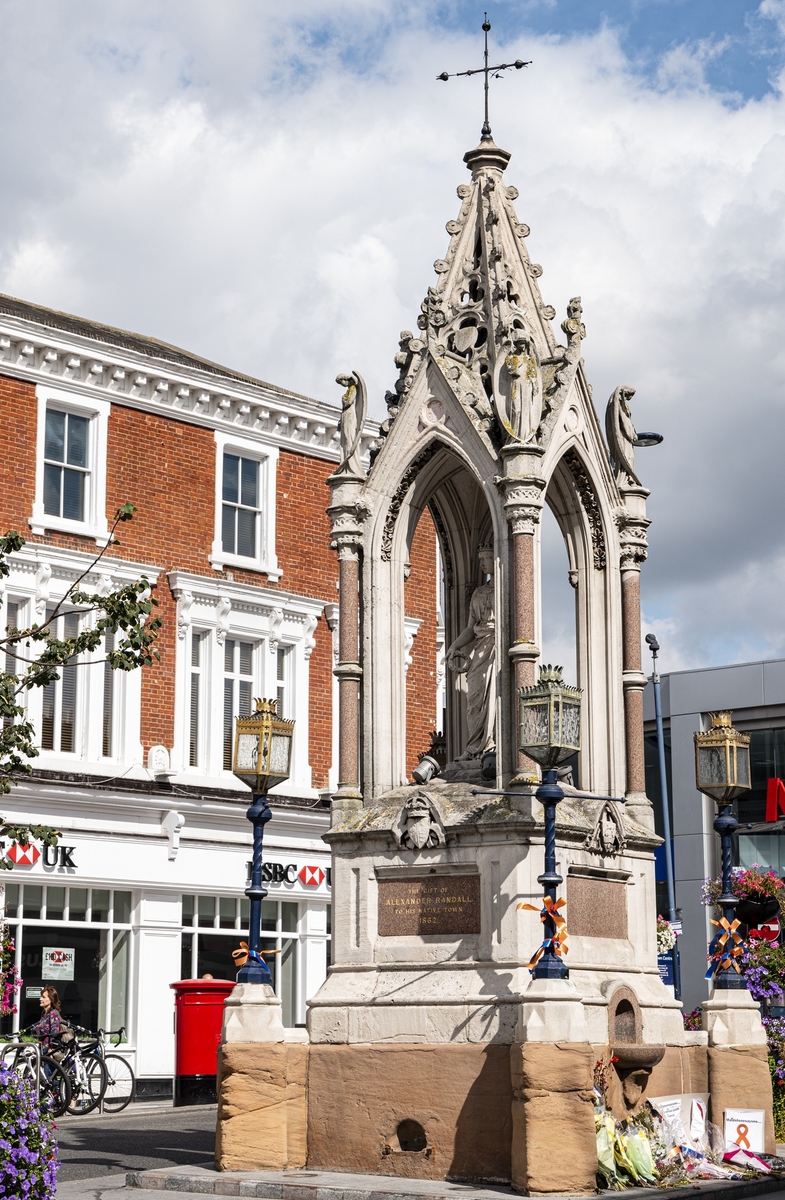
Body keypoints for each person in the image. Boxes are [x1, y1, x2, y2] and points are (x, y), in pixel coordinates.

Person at [446, 545, 496, 762]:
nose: (483, 563)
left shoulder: (504, 588)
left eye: (486, 559)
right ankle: (474, 746)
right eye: (480, 560)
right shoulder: (478, 593)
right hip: (480, 648)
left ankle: (491, 746)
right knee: (473, 697)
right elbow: (470, 628)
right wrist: (454, 646)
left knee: (492, 695)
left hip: (496, 647)